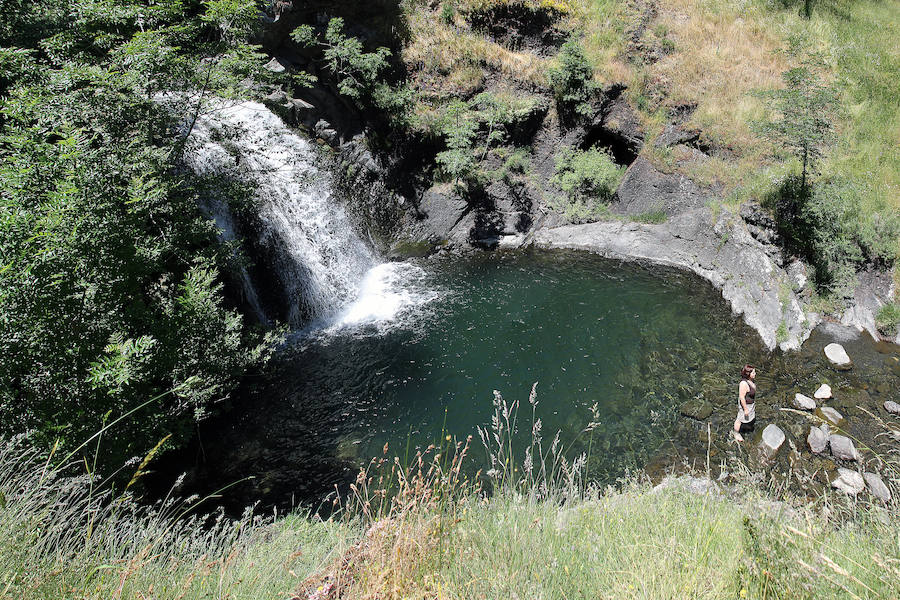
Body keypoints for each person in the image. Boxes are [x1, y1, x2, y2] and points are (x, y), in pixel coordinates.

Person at [733, 364, 756, 442]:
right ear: (748, 374)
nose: (755, 374)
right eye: (753, 373)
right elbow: (742, 397)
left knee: (748, 418)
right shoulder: (743, 384)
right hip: (745, 405)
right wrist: (745, 409)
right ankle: (736, 433)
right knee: (739, 419)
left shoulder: (750, 381)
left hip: (750, 404)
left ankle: (746, 427)